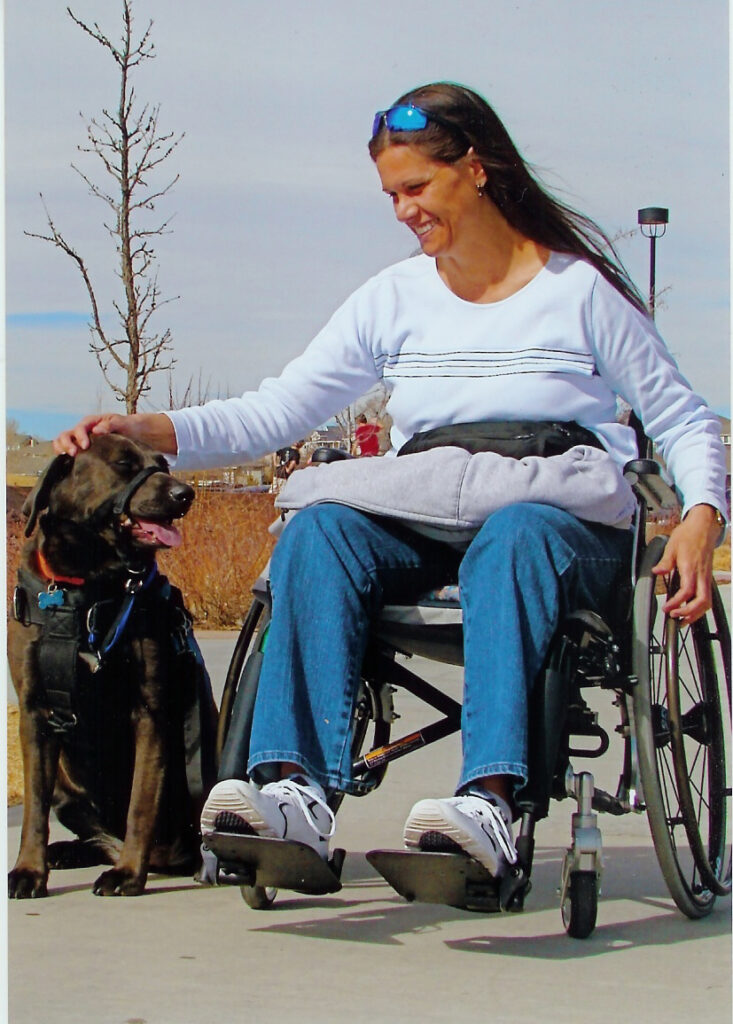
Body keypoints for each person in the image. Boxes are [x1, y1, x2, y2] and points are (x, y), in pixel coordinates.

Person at [55, 82, 727, 880]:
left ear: (474, 170)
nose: (402, 210)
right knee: (321, 528)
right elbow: (276, 411)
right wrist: (144, 428)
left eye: (415, 188)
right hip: (427, 509)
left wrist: (699, 518)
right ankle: (291, 792)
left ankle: (489, 801)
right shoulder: (393, 298)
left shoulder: (577, 292)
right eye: (390, 195)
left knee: (512, 533)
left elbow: (683, 419)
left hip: (553, 525)